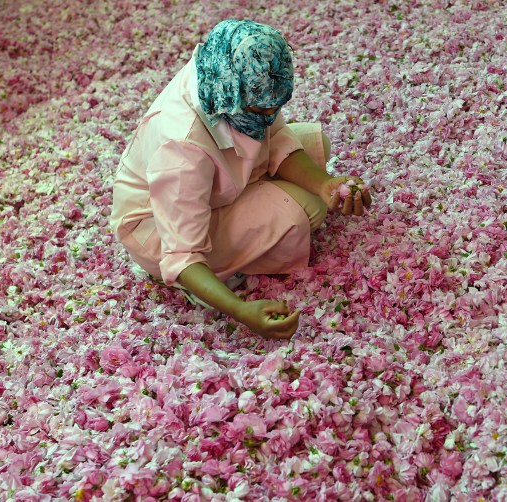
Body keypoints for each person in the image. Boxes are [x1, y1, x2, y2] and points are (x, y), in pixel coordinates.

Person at [110, 20, 372, 340]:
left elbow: (273, 135)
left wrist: (323, 183)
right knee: (307, 208)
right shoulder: (180, 148)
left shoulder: (224, 67)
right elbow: (182, 255)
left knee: (318, 154)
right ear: (230, 97)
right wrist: (240, 309)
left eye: (273, 108)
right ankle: (202, 282)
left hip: (210, 181)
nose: (268, 118)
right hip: (160, 229)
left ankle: (267, 199)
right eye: (259, 111)